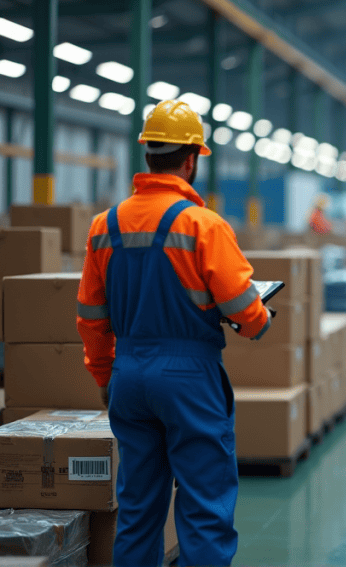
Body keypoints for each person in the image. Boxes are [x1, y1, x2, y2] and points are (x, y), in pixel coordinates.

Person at [76, 99, 273, 567]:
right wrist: (260, 319)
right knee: (204, 504)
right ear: (190, 159)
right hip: (189, 378)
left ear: (147, 155)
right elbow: (245, 309)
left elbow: (90, 316)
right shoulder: (202, 225)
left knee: (139, 509)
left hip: (128, 374)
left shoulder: (104, 226)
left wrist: (105, 376)